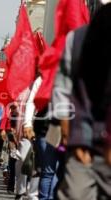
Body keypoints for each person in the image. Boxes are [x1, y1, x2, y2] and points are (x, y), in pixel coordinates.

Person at [56, 3, 111, 199]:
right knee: (76, 193)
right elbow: (63, 85)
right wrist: (67, 128)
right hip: (83, 139)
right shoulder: (78, 38)